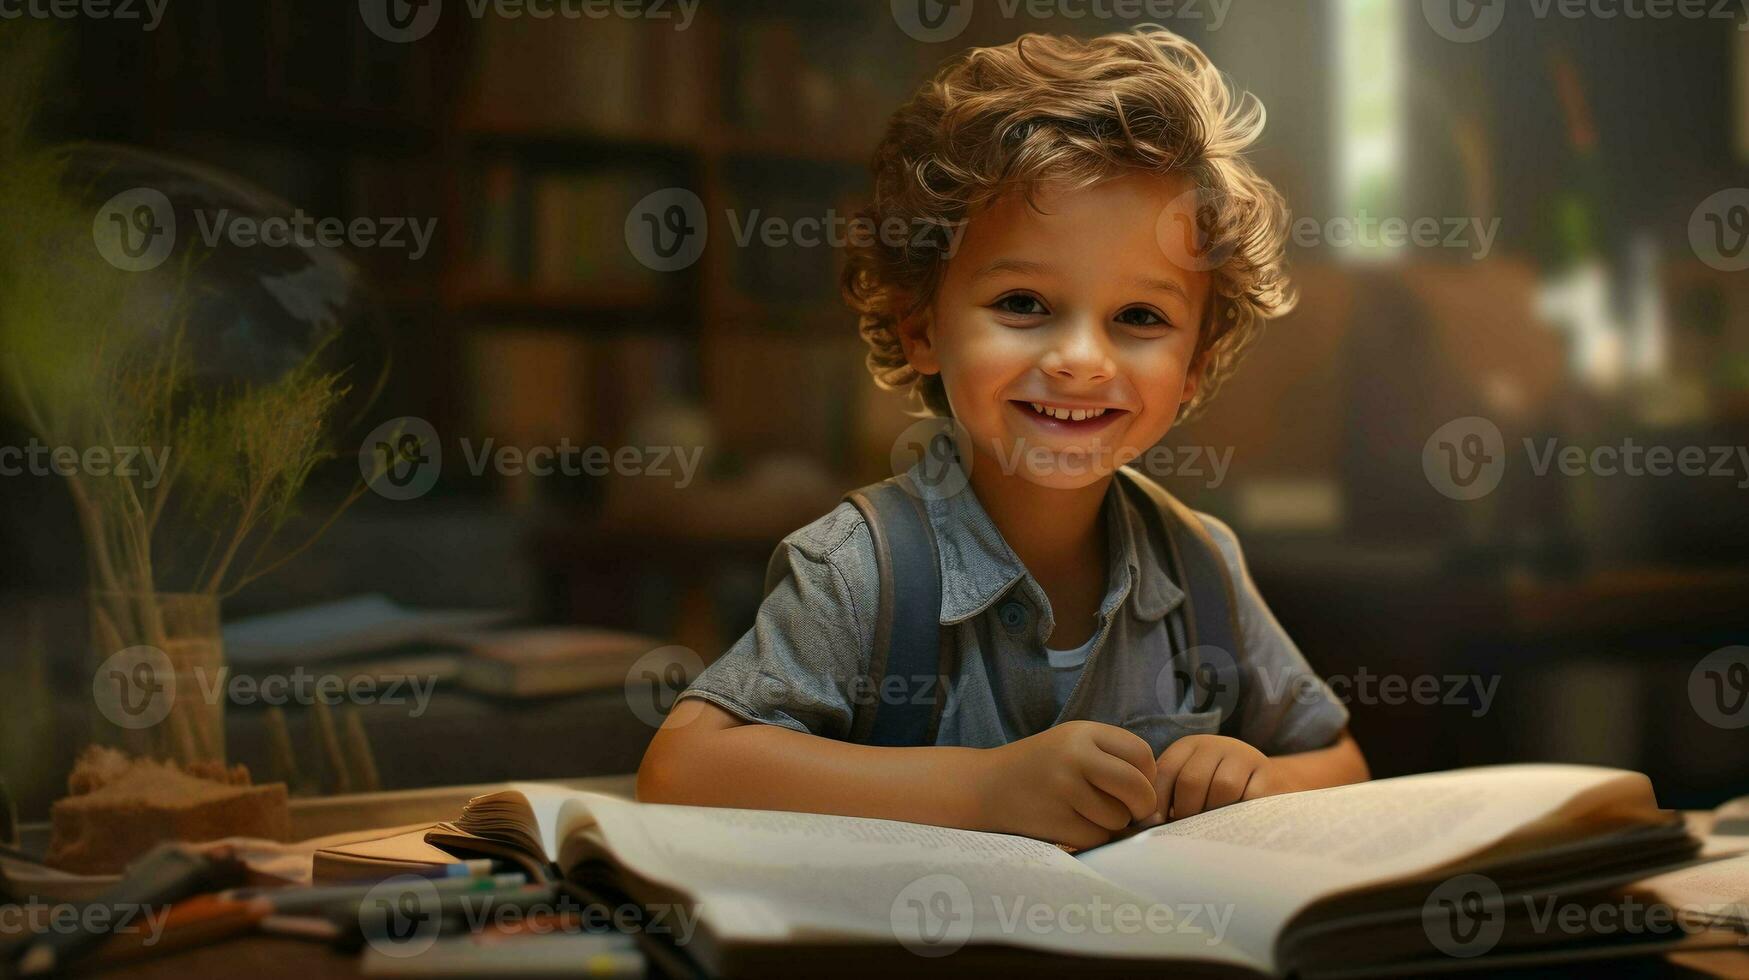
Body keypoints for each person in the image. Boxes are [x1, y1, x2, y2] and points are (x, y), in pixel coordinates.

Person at [638, 25, 1368, 850]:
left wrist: (1256, 780)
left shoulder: (1202, 569)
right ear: (921, 330)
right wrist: (981, 790)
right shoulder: (861, 569)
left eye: (1139, 317)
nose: (1082, 362)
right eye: (1023, 302)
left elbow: (1338, 761)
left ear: (1193, 368)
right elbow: (681, 770)